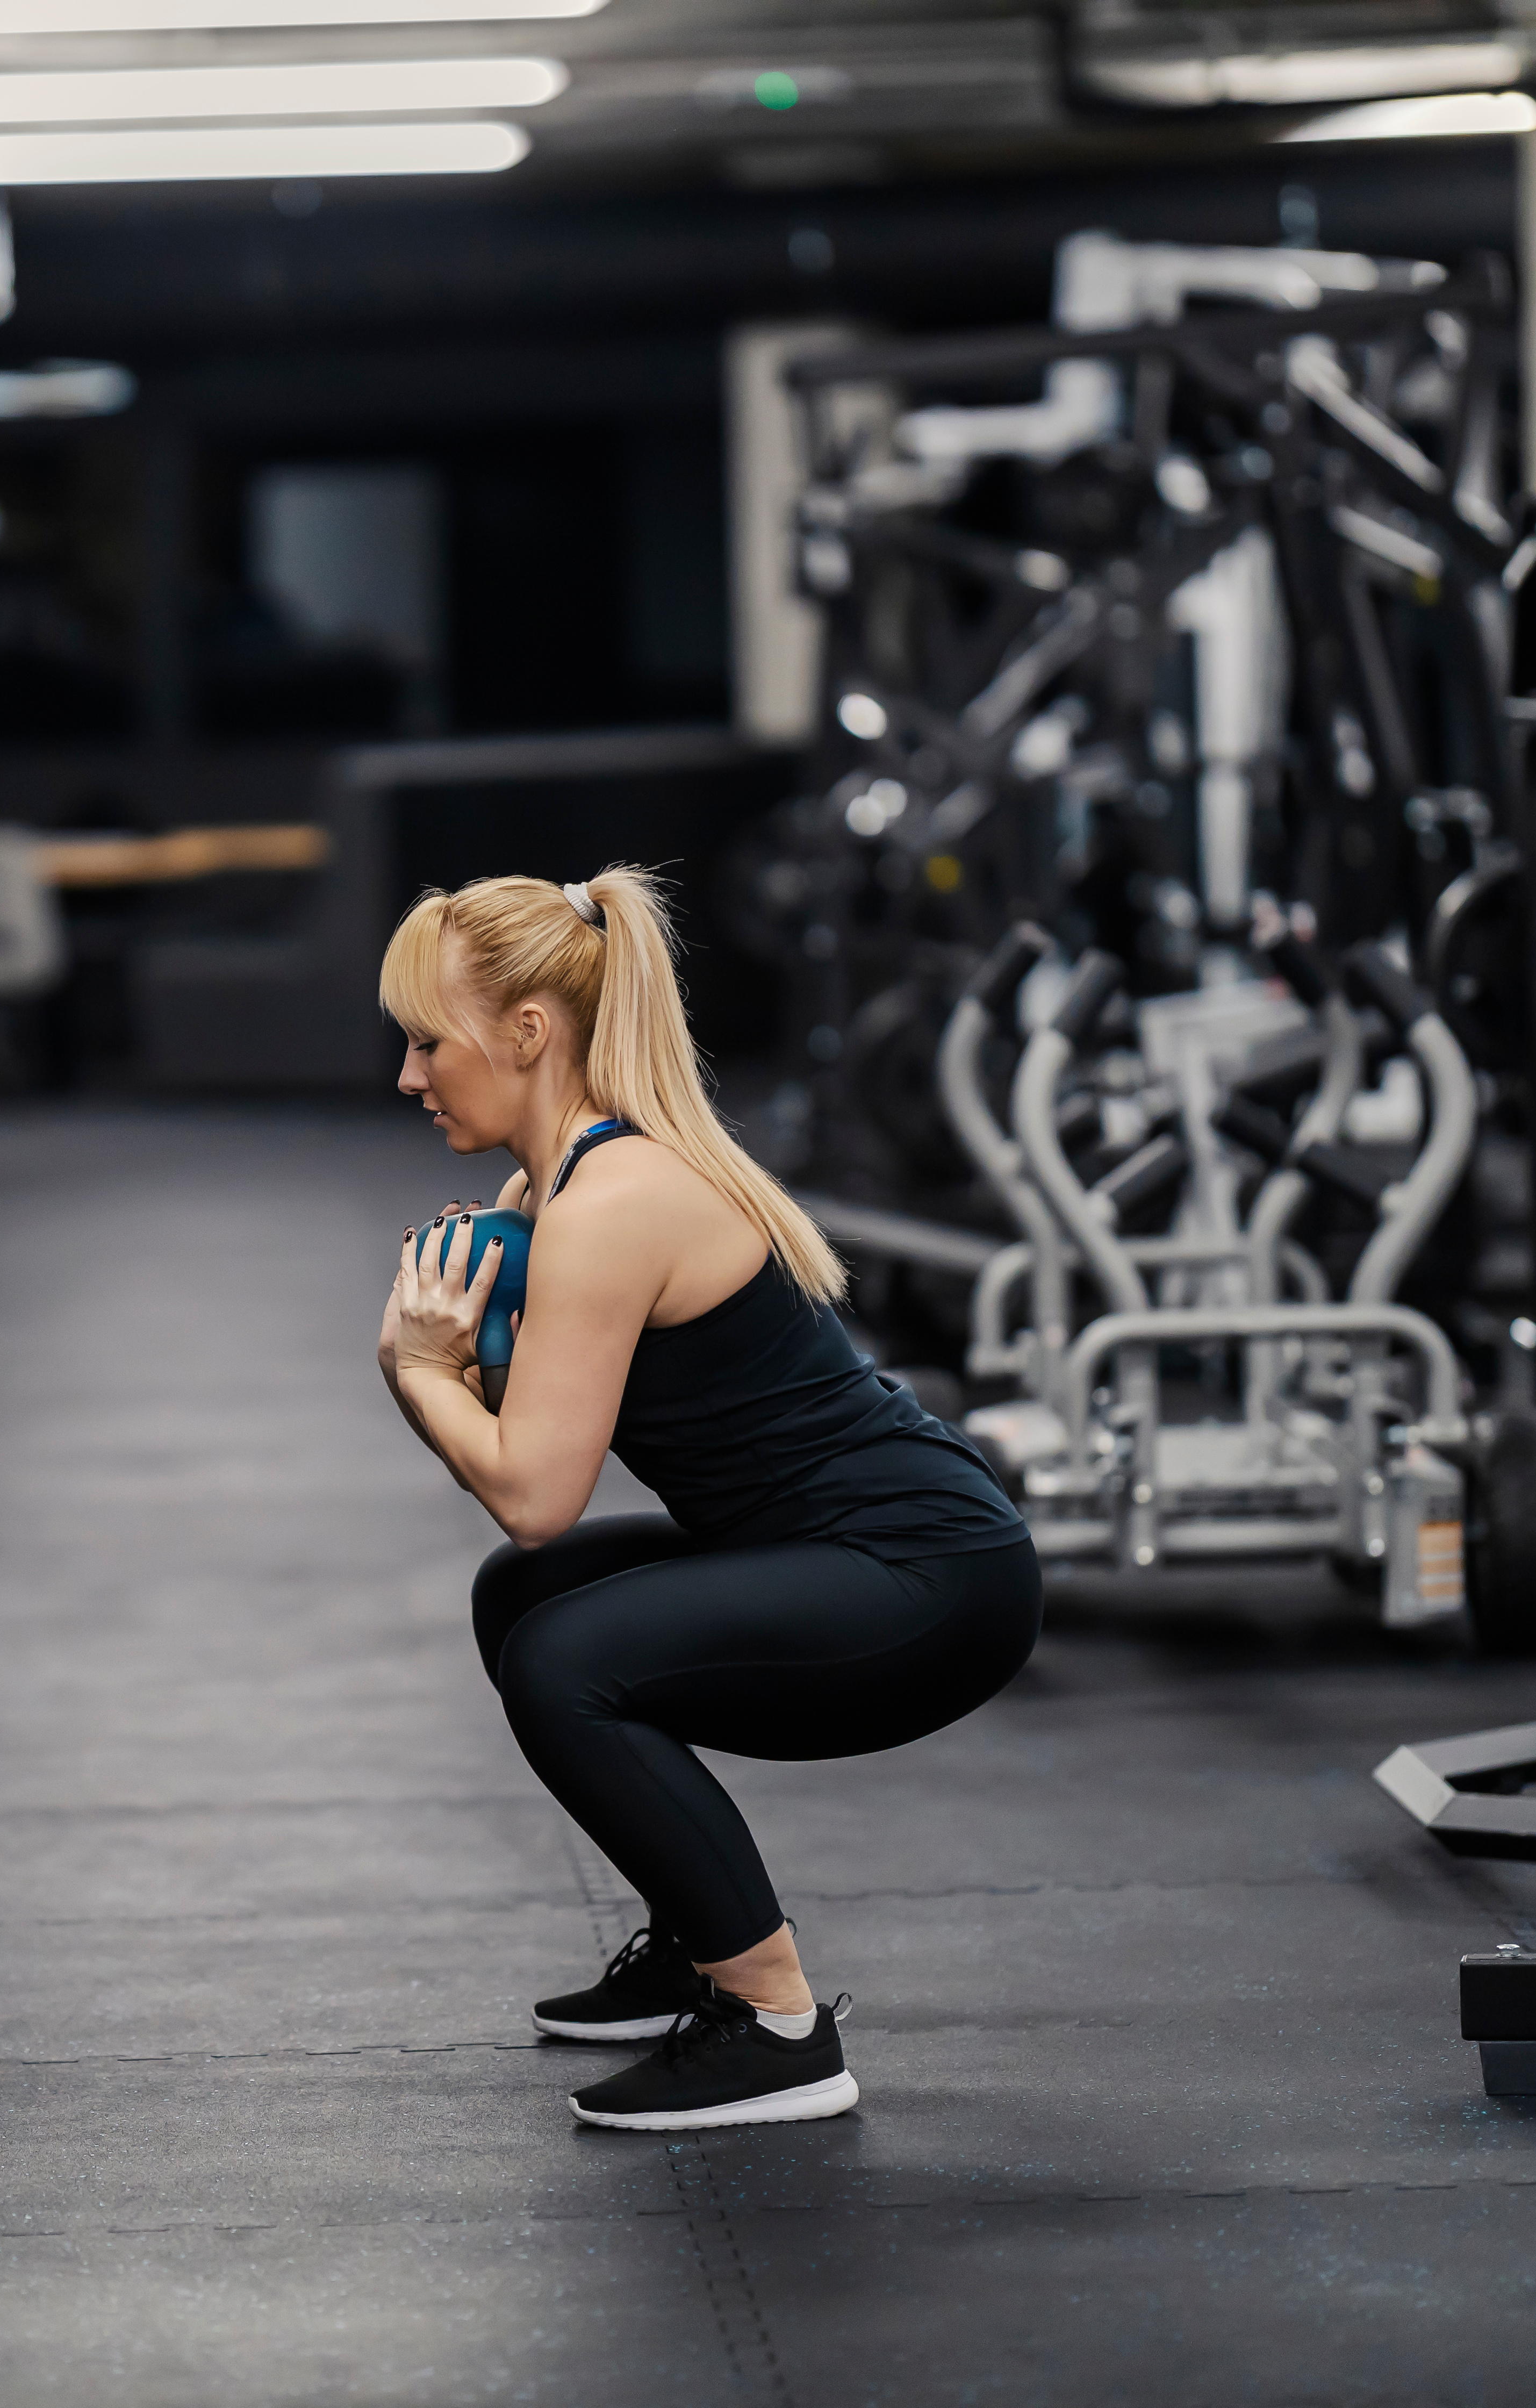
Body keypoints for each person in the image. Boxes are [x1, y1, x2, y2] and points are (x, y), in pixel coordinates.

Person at [376, 866, 1039, 2132]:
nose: (409, 1076)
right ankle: (699, 1938)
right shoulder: (554, 1189)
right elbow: (532, 1517)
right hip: (843, 1542)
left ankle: (780, 2023)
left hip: (934, 1574)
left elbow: (532, 1489)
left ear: (527, 1034)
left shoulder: (612, 1204)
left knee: (565, 1654)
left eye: (426, 1040)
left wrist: (419, 1368)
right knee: (528, 1601)